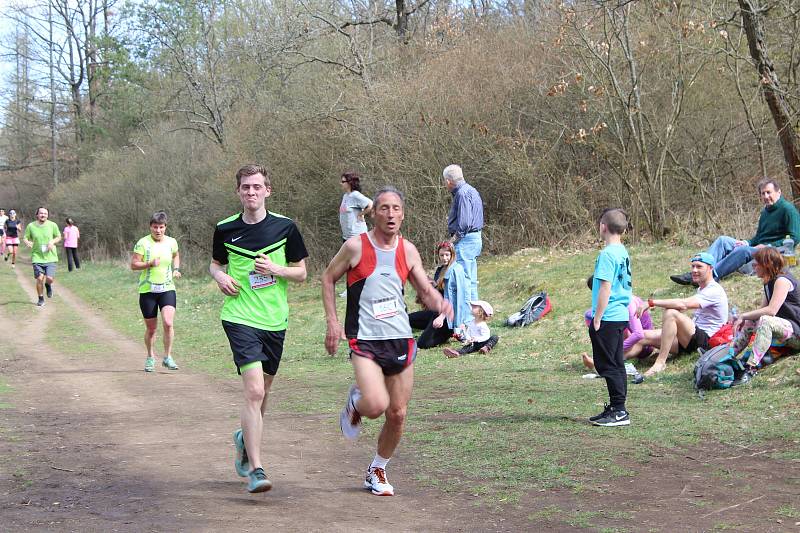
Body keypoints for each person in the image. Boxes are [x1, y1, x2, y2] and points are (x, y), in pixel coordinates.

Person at [322, 186, 452, 497]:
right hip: (364, 339)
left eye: (396, 208)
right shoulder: (355, 246)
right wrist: (332, 323)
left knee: (398, 413)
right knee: (376, 404)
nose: (390, 214)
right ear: (373, 213)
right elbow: (328, 278)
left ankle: (377, 468)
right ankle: (356, 403)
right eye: (384, 208)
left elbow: (423, 287)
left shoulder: (407, 250)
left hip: (400, 338)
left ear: (403, 215)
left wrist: (439, 302)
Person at [210, 164, 308, 494]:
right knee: (253, 391)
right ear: (238, 192)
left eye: (257, 187)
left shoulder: (286, 227)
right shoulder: (224, 228)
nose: (251, 192)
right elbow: (215, 263)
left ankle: (243, 438)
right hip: (238, 316)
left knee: (262, 395)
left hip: (274, 320)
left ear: (267, 190)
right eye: (245, 188)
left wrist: (275, 269)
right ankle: (256, 468)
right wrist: (220, 277)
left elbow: (302, 274)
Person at [670, 178, 800, 285]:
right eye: (763, 193)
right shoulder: (765, 211)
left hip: (777, 251)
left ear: (778, 192)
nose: (766, 196)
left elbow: (795, 238)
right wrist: (746, 242)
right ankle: (699, 269)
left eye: (769, 192)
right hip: (760, 247)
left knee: (742, 251)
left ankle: (710, 276)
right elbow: (759, 237)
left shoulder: (788, 209)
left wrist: (768, 246)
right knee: (723, 240)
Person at [640, 252, 729, 376]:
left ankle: (660, 363)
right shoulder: (701, 289)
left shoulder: (714, 290)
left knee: (671, 313)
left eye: (699, 266)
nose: (694, 270)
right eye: (692, 266)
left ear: (711, 268)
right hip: (690, 339)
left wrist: (651, 302)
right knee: (641, 336)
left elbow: (683, 304)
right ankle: (613, 362)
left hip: (706, 341)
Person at [587, 208, 632, 427]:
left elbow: (605, 287)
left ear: (603, 226)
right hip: (620, 314)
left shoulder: (606, 255)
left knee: (609, 365)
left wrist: (598, 317)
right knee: (617, 363)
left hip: (609, 316)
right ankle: (617, 408)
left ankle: (619, 411)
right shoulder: (622, 251)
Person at [731, 247, 800, 374]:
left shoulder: (782, 280)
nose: (753, 268)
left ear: (766, 265)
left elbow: (771, 311)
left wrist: (743, 315)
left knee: (765, 320)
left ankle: (751, 366)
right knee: (751, 320)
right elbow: (762, 310)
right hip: (786, 330)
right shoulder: (769, 282)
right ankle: (730, 354)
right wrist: (744, 318)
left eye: (755, 264)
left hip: (797, 332)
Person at [131, 212, 181, 373]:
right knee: (151, 329)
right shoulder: (143, 243)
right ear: (150, 227)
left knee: (168, 322)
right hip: (148, 290)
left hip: (167, 288)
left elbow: (176, 255)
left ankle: (167, 356)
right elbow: (134, 265)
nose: (158, 230)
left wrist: (176, 269)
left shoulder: (172, 242)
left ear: (165, 227)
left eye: (161, 227)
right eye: (155, 227)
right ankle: (150, 356)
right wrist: (149, 263)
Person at [582, 275, 653, 370]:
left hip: (645, 344)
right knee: (594, 317)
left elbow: (639, 334)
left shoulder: (627, 302)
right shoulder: (601, 309)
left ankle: (603, 364)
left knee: (617, 323)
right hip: (626, 340)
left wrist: (615, 349)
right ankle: (605, 360)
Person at [412, 241, 471, 349]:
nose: (444, 258)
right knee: (408, 319)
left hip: (448, 317)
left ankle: (448, 333)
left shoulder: (457, 270)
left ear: (452, 254)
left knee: (422, 344)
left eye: (447, 255)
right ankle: (431, 329)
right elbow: (441, 292)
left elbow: (456, 299)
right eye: (442, 255)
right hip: (436, 312)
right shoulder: (441, 269)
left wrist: (442, 317)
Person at [443, 164, 484, 300]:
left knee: (464, 280)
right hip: (475, 238)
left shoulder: (462, 194)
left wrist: (453, 239)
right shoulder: (471, 190)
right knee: (471, 280)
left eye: (445, 181)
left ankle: (468, 315)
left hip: (466, 241)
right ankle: (474, 313)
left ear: (449, 181)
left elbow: (465, 223)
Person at [23, 207, 61, 307]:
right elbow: (25, 237)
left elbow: (58, 236)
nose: (43, 215)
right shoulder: (31, 226)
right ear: (37, 215)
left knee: (49, 278)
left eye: (45, 213)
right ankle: (40, 298)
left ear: (47, 215)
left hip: (50, 256)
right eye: (41, 213)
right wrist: (27, 242)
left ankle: (48, 285)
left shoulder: (53, 225)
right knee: (39, 278)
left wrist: (52, 241)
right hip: (37, 256)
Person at [339, 171, 373, 241]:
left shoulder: (355, 195)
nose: (341, 183)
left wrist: (360, 214)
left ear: (349, 183)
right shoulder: (345, 196)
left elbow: (371, 204)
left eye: (343, 182)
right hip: (347, 237)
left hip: (357, 236)